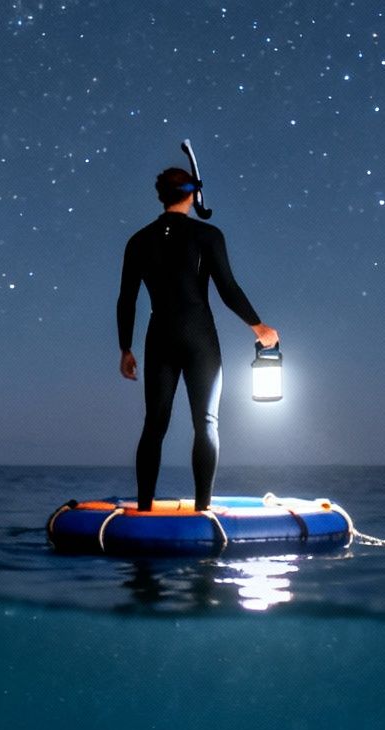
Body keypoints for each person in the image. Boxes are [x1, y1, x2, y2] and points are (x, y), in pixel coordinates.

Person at [115, 167, 279, 513]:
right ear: (192, 194)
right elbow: (228, 289)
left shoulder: (139, 240)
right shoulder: (207, 235)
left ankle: (144, 508)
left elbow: (126, 298)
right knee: (206, 423)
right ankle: (203, 509)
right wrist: (259, 327)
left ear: (161, 196)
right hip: (199, 337)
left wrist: (125, 348)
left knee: (154, 424)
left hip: (158, 337)